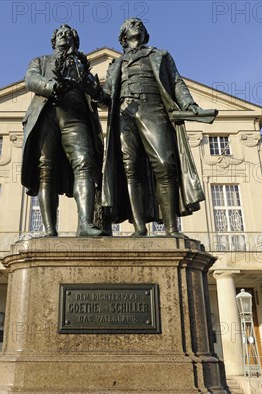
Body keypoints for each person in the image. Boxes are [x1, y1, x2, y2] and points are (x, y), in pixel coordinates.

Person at [100, 18, 208, 238]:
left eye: (139, 23)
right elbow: (107, 97)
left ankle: (171, 228)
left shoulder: (160, 56)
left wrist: (188, 104)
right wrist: (94, 92)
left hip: (153, 108)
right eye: (131, 23)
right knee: (130, 169)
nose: (136, 24)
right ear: (123, 35)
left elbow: (176, 82)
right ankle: (139, 228)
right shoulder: (116, 64)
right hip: (124, 113)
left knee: (164, 163)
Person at [21, 24, 104, 237]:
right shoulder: (41, 61)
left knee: (84, 163)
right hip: (47, 112)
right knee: (45, 169)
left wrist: (94, 89)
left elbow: (100, 96)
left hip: (76, 114)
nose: (63, 36)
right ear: (54, 40)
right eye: (59, 34)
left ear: (75, 40)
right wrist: (50, 86)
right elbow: (30, 79)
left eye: (68, 34)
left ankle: (86, 225)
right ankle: (50, 230)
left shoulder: (82, 65)